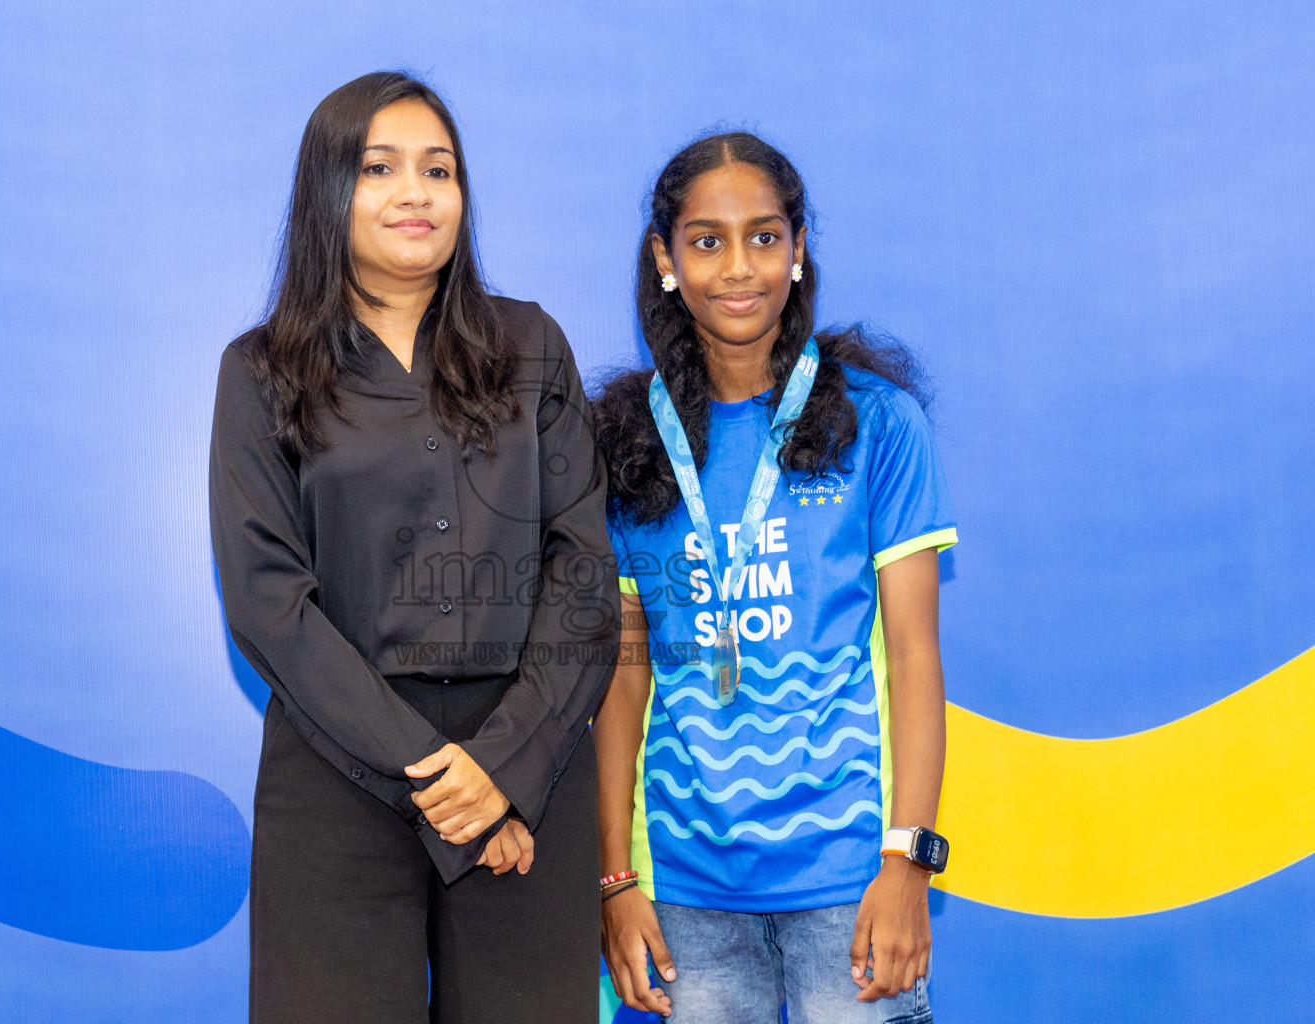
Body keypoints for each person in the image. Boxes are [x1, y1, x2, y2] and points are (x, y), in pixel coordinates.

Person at [209, 71, 617, 1024]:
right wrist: (444, 782)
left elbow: (584, 574)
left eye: (439, 169)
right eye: (379, 167)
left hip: (527, 775)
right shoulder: (261, 372)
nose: (415, 193)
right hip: (337, 771)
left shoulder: (531, 345)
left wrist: (505, 771)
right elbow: (270, 602)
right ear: (326, 192)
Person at [592, 132, 954, 1023]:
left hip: (852, 879)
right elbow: (622, 677)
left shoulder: (875, 423)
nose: (738, 266)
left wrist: (908, 861)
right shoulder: (627, 445)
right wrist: (614, 879)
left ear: (798, 250)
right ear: (665, 259)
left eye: (764, 236)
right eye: (706, 240)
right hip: (685, 895)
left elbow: (913, 656)